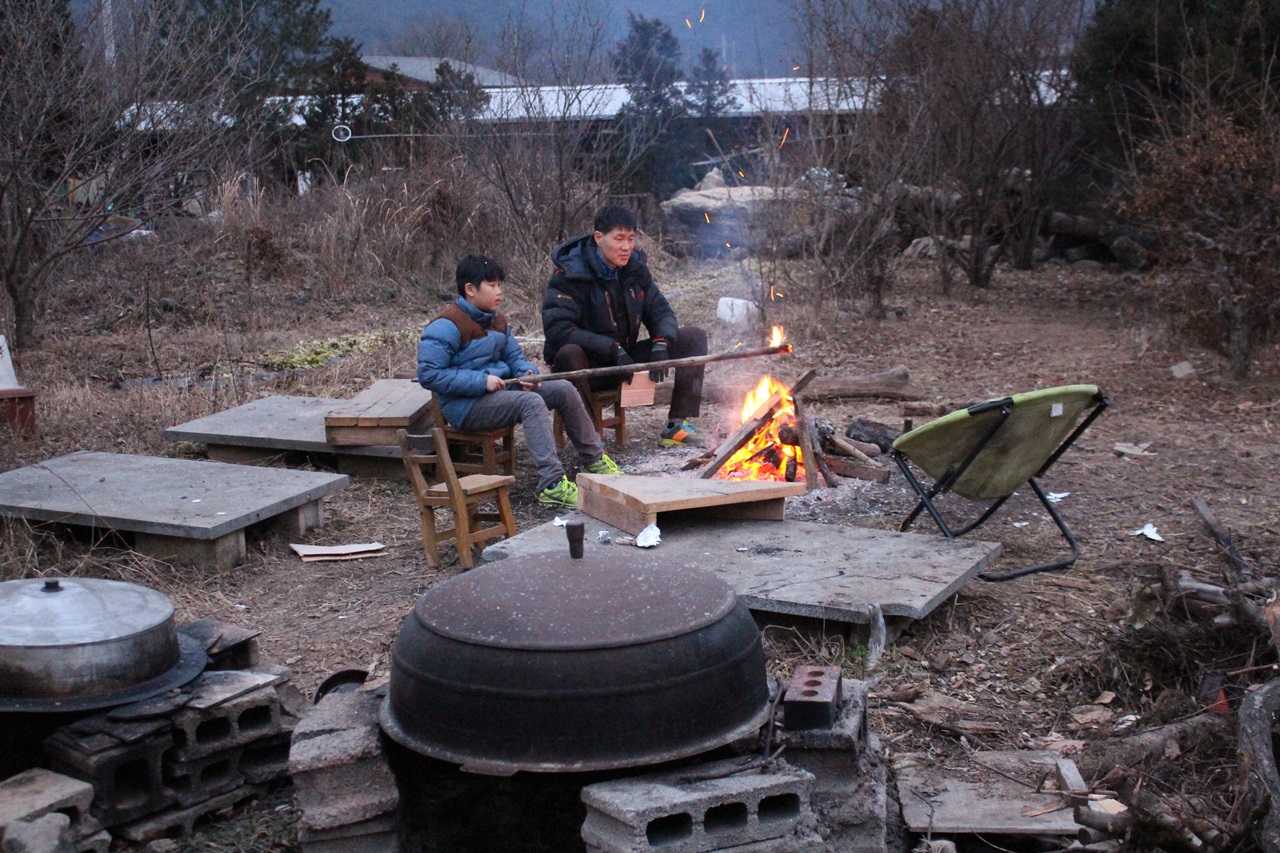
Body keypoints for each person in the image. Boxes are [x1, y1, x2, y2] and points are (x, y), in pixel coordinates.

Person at [417, 254, 623, 509]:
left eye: (500, 285)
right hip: (465, 406)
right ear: (470, 289)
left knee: (564, 389)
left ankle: (595, 460)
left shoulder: (496, 319)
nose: (499, 292)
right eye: (491, 286)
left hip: (501, 392)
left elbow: (515, 356)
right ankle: (552, 485)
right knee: (531, 403)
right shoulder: (445, 326)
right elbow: (430, 375)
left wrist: (527, 372)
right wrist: (481, 381)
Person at [542, 205, 709, 447]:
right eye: (619, 239)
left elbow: (660, 310)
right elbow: (559, 332)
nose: (626, 247)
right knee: (569, 353)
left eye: (631, 239)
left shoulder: (634, 270)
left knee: (692, 337)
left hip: (625, 360)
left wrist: (662, 342)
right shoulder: (570, 273)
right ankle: (591, 443)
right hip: (589, 366)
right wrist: (611, 349)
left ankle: (676, 425)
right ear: (599, 238)